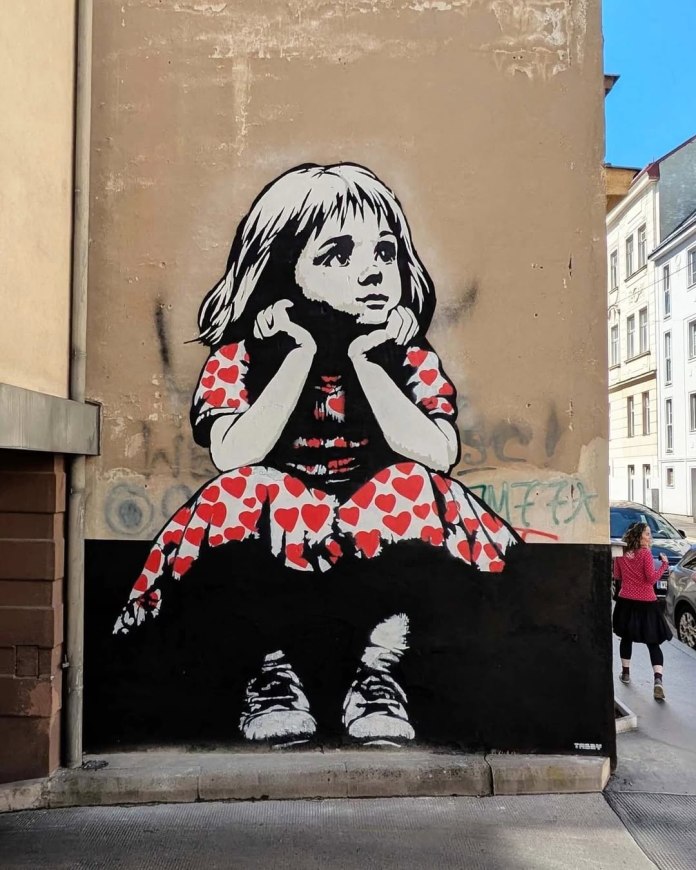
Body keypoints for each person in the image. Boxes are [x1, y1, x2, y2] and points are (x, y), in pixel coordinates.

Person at [113, 162, 521, 743]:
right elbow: (234, 455)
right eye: (338, 256)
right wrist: (297, 353)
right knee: (243, 490)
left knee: (408, 482)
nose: (373, 272)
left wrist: (368, 359)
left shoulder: (405, 356)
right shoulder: (244, 357)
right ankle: (271, 672)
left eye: (384, 253)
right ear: (283, 270)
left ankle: (379, 672)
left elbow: (435, 454)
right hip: (276, 540)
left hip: (373, 543)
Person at [613, 522, 672, 700]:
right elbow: (651, 578)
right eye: (647, 534)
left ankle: (625, 674)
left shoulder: (621, 553)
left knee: (626, 638)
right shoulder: (645, 553)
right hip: (646, 602)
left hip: (626, 601)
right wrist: (664, 565)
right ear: (639, 536)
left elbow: (617, 576)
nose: (650, 537)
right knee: (653, 642)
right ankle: (658, 681)